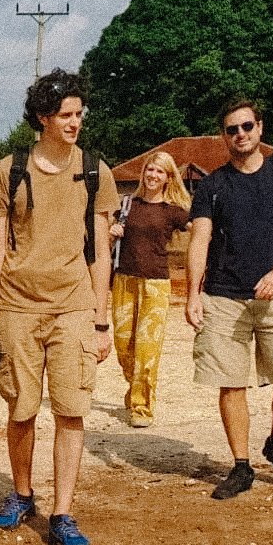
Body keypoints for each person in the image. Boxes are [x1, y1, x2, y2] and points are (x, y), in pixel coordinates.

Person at [0, 69, 116, 545]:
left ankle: (63, 513)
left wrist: (101, 319)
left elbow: (100, 251)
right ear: (42, 118)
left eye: (79, 113)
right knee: (22, 408)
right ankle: (23, 493)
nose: (76, 122)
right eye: (66, 115)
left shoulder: (96, 170)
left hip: (73, 304)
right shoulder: (8, 171)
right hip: (17, 305)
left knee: (72, 410)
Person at [185, 98, 273, 500]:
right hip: (224, 296)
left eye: (246, 127)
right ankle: (241, 467)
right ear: (224, 136)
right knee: (230, 381)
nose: (239, 135)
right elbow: (200, 239)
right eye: (231, 129)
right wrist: (191, 293)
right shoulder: (212, 185)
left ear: (260, 128)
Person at [108, 150, 191, 428]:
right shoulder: (128, 205)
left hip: (156, 284)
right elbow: (108, 242)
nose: (153, 175)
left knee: (147, 349)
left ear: (168, 178)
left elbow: (202, 232)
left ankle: (142, 407)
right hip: (123, 280)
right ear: (143, 173)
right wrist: (112, 233)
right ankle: (135, 389)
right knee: (123, 345)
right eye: (150, 170)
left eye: (160, 172)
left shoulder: (173, 211)